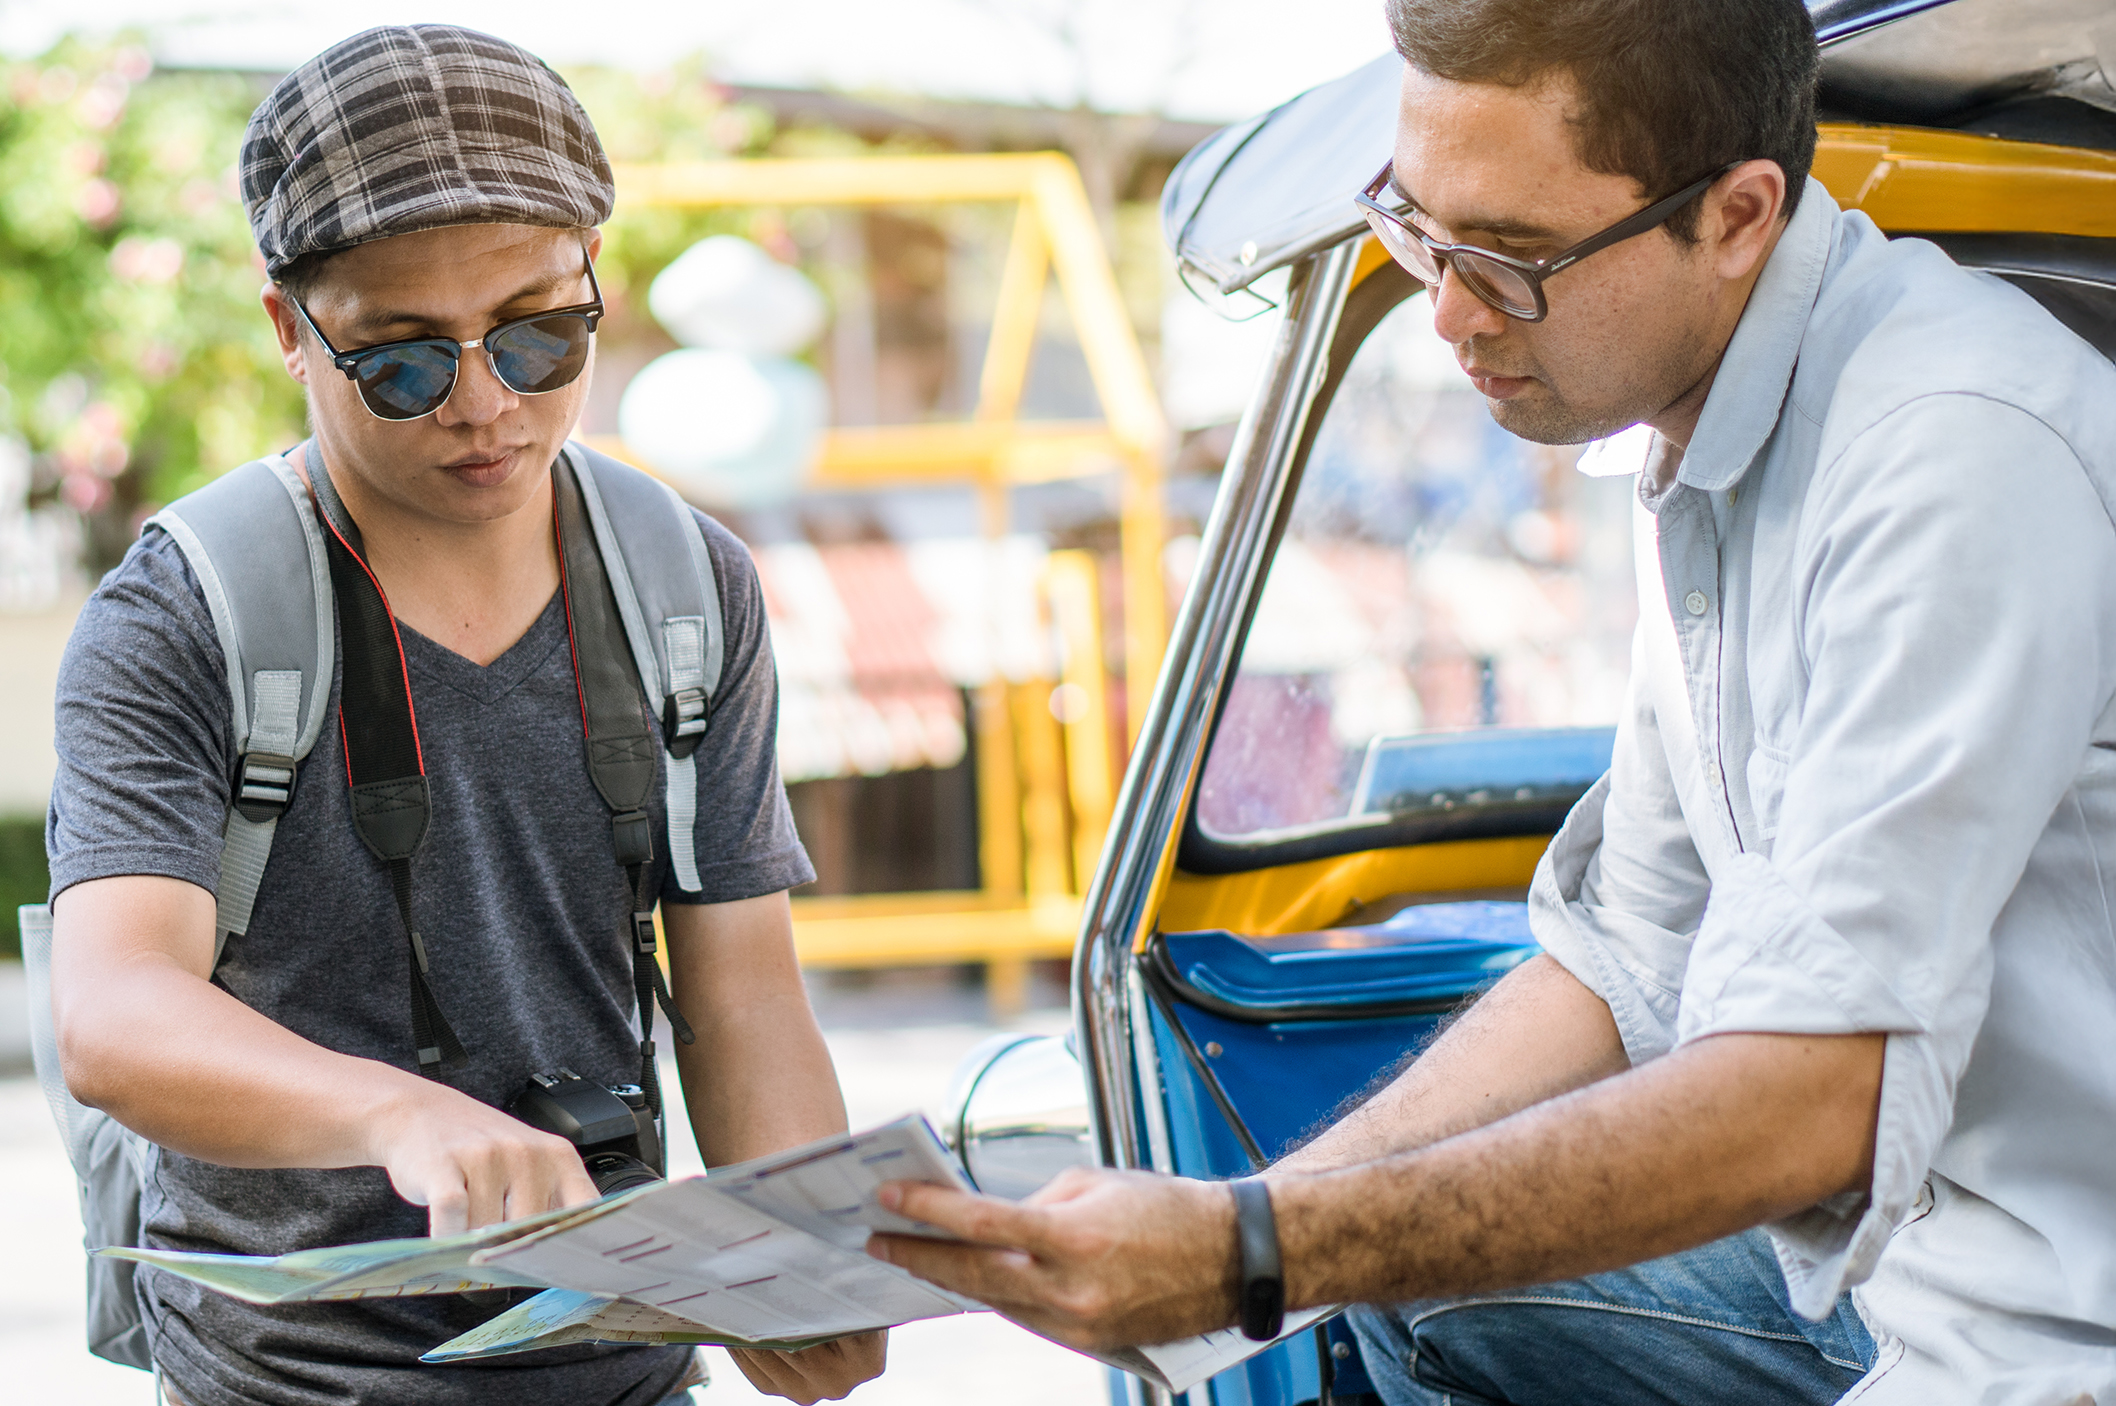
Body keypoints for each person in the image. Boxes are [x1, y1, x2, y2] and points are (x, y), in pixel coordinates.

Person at [867, 0, 2116, 1400]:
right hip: (1896, 1272)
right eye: (1418, 233)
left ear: (1742, 215)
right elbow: (1628, 960)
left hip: (2053, 1329)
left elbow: (1818, 1097)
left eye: (1513, 260)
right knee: (1406, 1288)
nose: (1450, 314)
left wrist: (1253, 1252)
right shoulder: (1714, 451)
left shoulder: (1955, 454)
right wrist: (1271, 1219)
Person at [45, 25, 884, 1406]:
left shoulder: (685, 583)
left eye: (543, 333)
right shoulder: (181, 614)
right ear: (288, 330)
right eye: (405, 361)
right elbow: (117, 1011)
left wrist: (808, 1265)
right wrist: (398, 1112)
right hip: (286, 1382)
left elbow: (739, 991)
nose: (488, 404)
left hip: (625, 1368)